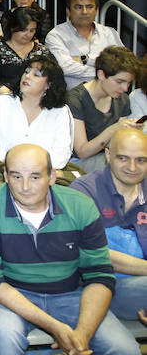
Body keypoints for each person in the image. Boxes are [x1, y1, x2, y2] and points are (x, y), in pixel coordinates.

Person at [0, 144, 140, 355]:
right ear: (5, 175)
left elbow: (99, 274)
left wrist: (82, 336)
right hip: (10, 295)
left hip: (69, 294)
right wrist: (54, 327)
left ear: (52, 177)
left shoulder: (80, 206)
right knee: (4, 339)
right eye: (16, 176)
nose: (25, 186)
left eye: (35, 177)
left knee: (124, 349)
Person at [72, 128, 147, 321]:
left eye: (141, 160)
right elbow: (94, 254)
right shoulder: (84, 191)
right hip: (99, 287)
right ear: (108, 155)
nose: (132, 167)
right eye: (123, 158)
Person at [0, 56, 75, 169]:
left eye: (36, 75)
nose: (27, 76)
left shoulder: (60, 111)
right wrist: (13, 161)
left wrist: (34, 168)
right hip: (3, 168)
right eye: (26, 72)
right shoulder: (3, 102)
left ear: (48, 85)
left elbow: (61, 154)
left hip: (43, 174)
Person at [67, 46, 143, 173]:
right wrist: (114, 129)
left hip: (109, 157)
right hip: (78, 162)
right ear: (101, 74)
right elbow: (82, 151)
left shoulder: (122, 100)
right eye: (119, 82)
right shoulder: (76, 99)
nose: (125, 88)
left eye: (129, 83)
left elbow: (115, 146)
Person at [0, 6, 52, 115]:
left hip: (36, 99)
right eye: (23, 30)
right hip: (2, 100)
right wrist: (16, 99)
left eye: (32, 30)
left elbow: (53, 77)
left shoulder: (42, 51)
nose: (28, 34)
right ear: (12, 28)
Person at [45, 0, 123, 89]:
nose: (84, 12)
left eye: (89, 7)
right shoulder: (56, 35)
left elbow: (122, 64)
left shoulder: (109, 34)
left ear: (96, 10)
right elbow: (65, 67)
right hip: (70, 99)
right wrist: (106, 72)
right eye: (78, 7)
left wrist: (85, 59)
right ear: (68, 11)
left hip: (108, 95)